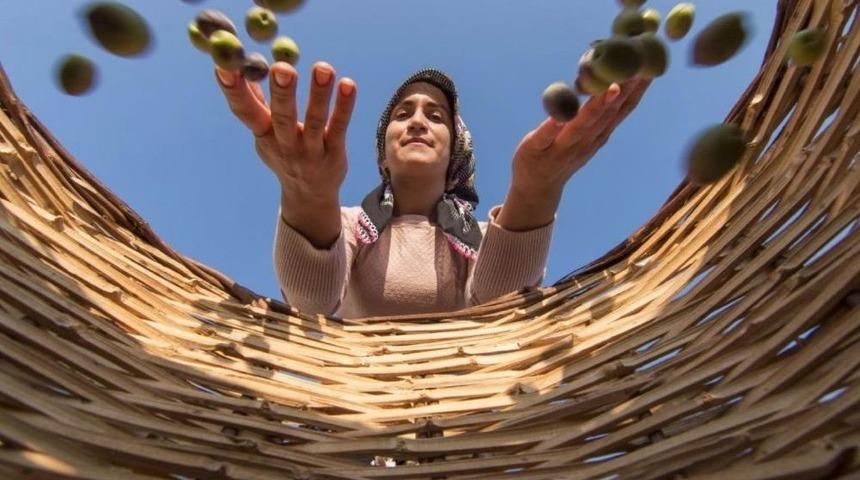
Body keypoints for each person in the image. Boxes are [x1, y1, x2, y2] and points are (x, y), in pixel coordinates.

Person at [214, 61, 649, 318]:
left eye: (436, 116)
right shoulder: (348, 225)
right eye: (403, 114)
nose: (418, 120)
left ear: (455, 153)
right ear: (383, 155)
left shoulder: (477, 237)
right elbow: (313, 303)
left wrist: (537, 189)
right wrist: (306, 194)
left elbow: (496, 309)